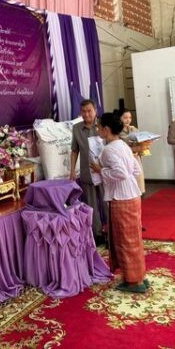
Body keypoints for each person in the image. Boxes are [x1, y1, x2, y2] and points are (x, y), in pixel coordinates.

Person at [90, 113, 148, 293]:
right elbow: (136, 169)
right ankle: (139, 276)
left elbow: (121, 173)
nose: (98, 129)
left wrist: (100, 170)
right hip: (132, 195)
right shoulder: (123, 145)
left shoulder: (108, 150)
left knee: (125, 240)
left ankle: (134, 281)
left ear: (106, 129)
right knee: (134, 238)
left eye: (99, 127)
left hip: (122, 199)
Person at [70, 99, 106, 244]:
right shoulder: (77, 128)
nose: (86, 114)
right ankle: (97, 234)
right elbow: (74, 150)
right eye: (83, 111)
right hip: (87, 172)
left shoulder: (103, 126)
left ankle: (111, 232)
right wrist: (72, 170)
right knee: (91, 205)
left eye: (89, 111)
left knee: (107, 203)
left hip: (104, 171)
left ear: (95, 111)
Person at [117, 109, 146, 195]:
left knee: (138, 182)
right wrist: (134, 148)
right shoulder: (117, 131)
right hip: (124, 160)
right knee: (128, 185)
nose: (128, 120)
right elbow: (118, 148)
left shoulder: (134, 129)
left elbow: (141, 140)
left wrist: (144, 145)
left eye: (130, 118)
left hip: (135, 158)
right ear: (120, 118)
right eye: (125, 117)